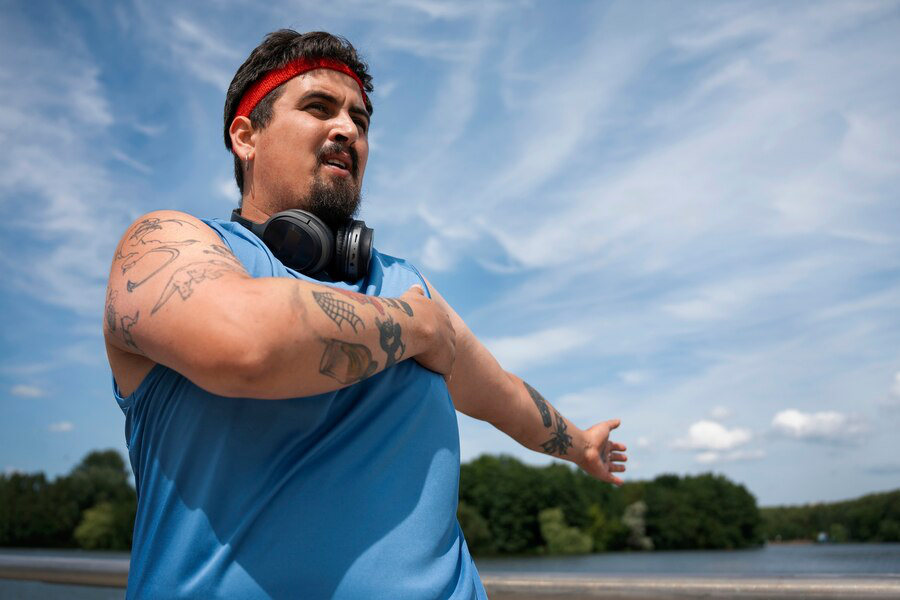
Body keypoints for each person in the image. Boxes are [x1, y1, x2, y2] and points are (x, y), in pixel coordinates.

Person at [104, 29, 628, 599]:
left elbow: (499, 392)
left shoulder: (406, 280)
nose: (347, 129)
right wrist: (418, 325)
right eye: (318, 108)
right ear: (245, 135)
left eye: (360, 118)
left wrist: (580, 445)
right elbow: (245, 343)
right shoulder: (163, 244)